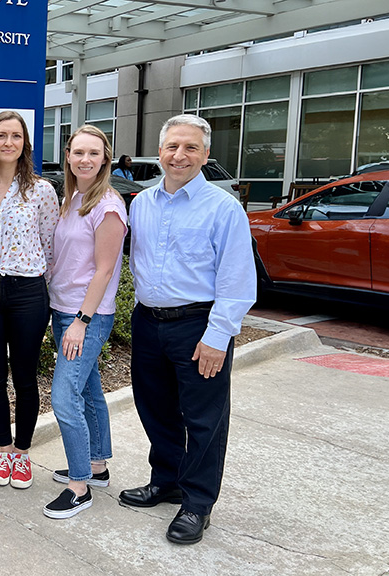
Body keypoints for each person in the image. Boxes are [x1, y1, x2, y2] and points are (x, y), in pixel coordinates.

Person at [122, 114, 255, 544]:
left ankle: (197, 502)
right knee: (155, 408)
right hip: (147, 322)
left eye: (190, 147)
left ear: (205, 154)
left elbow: (237, 280)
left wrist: (218, 337)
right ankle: (167, 480)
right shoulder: (141, 203)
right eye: (172, 147)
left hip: (199, 325)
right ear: (159, 152)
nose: (180, 155)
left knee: (203, 419)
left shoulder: (224, 208)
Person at [43, 125, 127, 519]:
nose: (85, 160)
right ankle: (97, 466)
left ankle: (80, 487)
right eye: (78, 152)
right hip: (63, 310)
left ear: (105, 158)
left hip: (86, 316)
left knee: (64, 397)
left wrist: (81, 321)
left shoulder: (108, 206)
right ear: (69, 156)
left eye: (93, 153)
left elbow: (104, 271)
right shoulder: (72, 198)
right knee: (90, 390)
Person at [0, 111, 58, 490]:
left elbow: (49, 244)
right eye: (1, 135)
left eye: (16, 136)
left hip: (27, 292)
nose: (8, 142)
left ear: (25, 143)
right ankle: (4, 449)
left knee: (25, 377)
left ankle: (23, 454)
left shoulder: (41, 191)